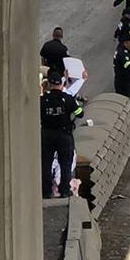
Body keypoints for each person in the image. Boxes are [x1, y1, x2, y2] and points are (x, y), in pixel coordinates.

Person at [40, 70, 83, 198]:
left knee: (46, 163)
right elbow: (80, 113)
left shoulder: (42, 100)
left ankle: (46, 191)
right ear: (61, 84)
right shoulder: (68, 99)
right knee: (65, 163)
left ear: (49, 84)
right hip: (64, 134)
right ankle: (65, 190)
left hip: (47, 134)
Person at [112, 34, 130, 98]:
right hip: (124, 83)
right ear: (126, 42)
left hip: (121, 81)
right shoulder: (123, 53)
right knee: (126, 103)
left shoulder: (120, 48)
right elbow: (129, 67)